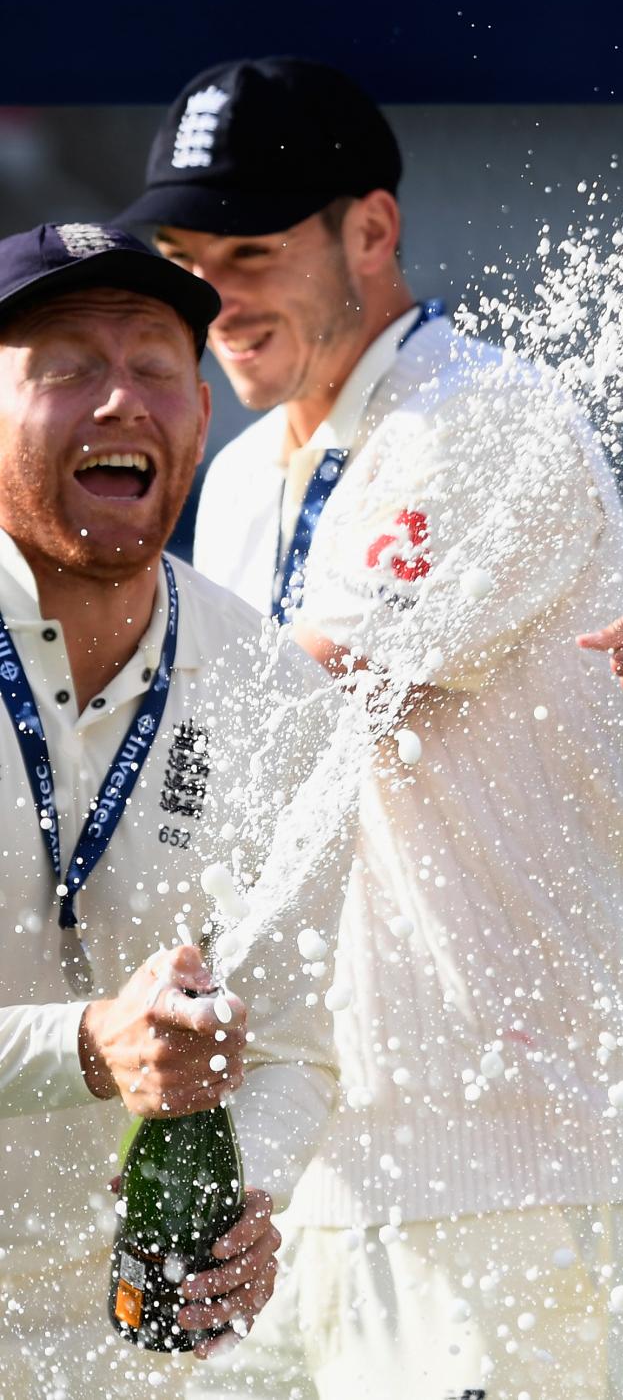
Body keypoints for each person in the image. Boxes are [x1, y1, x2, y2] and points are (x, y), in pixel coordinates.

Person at [124, 60, 623, 1400]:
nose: (213, 299)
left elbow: (294, 702)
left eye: (249, 252)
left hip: (495, 1161)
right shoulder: (248, 467)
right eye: (185, 260)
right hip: (295, 1143)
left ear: (371, 231)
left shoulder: (487, 419)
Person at [0, 224, 345, 1398]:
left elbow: (297, 1043)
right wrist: (86, 1047)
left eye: (154, 365)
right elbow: (104, 1046)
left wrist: (248, 1191)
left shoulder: (270, 692)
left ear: (200, 417)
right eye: (65, 368)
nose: (119, 400)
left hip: (123, 1348)